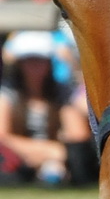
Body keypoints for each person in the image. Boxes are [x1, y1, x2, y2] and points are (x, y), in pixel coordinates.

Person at [0, 30, 95, 186]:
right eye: (28, 60)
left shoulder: (62, 92)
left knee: (73, 117)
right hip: (19, 160)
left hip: (59, 159)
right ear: (19, 64)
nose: (35, 66)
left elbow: (78, 131)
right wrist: (51, 151)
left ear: (49, 63)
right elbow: (3, 137)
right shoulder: (7, 94)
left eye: (40, 60)